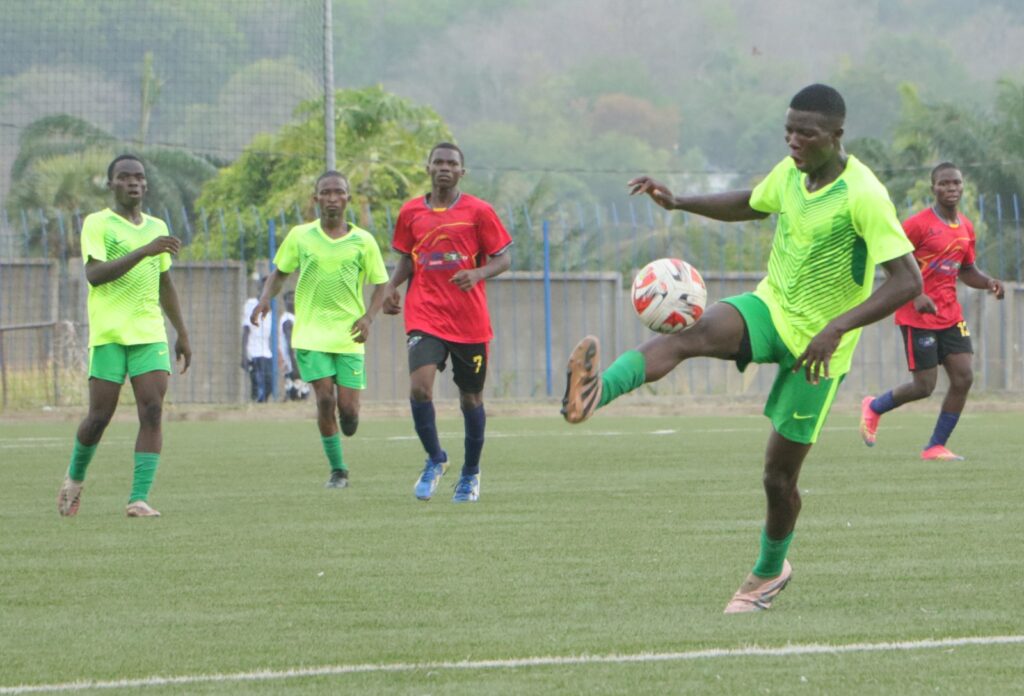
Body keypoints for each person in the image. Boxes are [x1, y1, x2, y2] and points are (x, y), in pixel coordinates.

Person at [561, 84, 922, 612]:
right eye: (789, 131)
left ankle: (769, 572)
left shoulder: (864, 194)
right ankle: (596, 392)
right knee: (689, 334)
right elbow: (752, 203)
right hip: (771, 308)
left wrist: (837, 329)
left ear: (836, 135)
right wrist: (679, 202)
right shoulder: (792, 173)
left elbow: (907, 280)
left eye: (806, 133)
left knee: (778, 478)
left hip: (819, 351)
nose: (793, 141)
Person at [57, 154, 192, 518]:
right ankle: (74, 479)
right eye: (125, 176)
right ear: (111, 184)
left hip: (148, 332)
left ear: (146, 184)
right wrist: (144, 250)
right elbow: (95, 274)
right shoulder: (98, 223)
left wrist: (182, 332)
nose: (134, 182)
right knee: (99, 416)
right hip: (110, 334)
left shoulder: (157, 226)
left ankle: (138, 498)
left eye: (139, 177)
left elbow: (165, 282)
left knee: (152, 410)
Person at [378, 142, 513, 503]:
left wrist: (477, 273)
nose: (444, 167)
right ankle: (436, 458)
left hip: (469, 321)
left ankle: (470, 473)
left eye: (451, 163)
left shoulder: (479, 211)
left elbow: (504, 259)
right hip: (425, 314)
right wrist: (391, 286)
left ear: (461, 172)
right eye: (438, 162)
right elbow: (408, 258)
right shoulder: (410, 212)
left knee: (471, 399)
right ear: (428, 168)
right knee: (420, 388)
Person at [250, 170, 388, 489]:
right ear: (316, 199)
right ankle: (338, 471)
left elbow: (381, 284)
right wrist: (264, 299)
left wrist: (368, 318)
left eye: (338, 192)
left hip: (349, 336)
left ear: (347, 199)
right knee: (325, 399)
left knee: (348, 413)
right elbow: (280, 274)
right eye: (325, 193)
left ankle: (348, 420)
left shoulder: (363, 241)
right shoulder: (300, 236)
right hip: (310, 334)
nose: (332, 198)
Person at [860, 162, 1005, 460]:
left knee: (964, 377)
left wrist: (988, 282)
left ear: (962, 186)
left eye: (956, 183)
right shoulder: (917, 225)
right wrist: (916, 294)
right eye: (944, 183)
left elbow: (967, 270)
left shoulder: (965, 227)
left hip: (950, 315)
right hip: (918, 315)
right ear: (933, 188)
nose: (951, 188)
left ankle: (935, 446)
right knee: (924, 386)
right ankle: (874, 407)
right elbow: (891, 262)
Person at [242, 279, 274, 402]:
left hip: (266, 353)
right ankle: (255, 408)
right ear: (260, 287)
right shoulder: (251, 303)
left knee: (269, 385)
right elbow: (246, 330)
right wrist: (244, 354)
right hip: (254, 352)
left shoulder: (270, 308)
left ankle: (261, 407)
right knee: (258, 386)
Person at [280, 290, 310, 401]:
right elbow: (290, 344)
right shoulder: (288, 319)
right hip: (293, 361)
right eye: (290, 299)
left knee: (299, 392)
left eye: (295, 299)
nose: (293, 302)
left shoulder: (295, 318)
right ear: (285, 302)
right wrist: (295, 365)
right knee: (298, 393)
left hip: (297, 360)